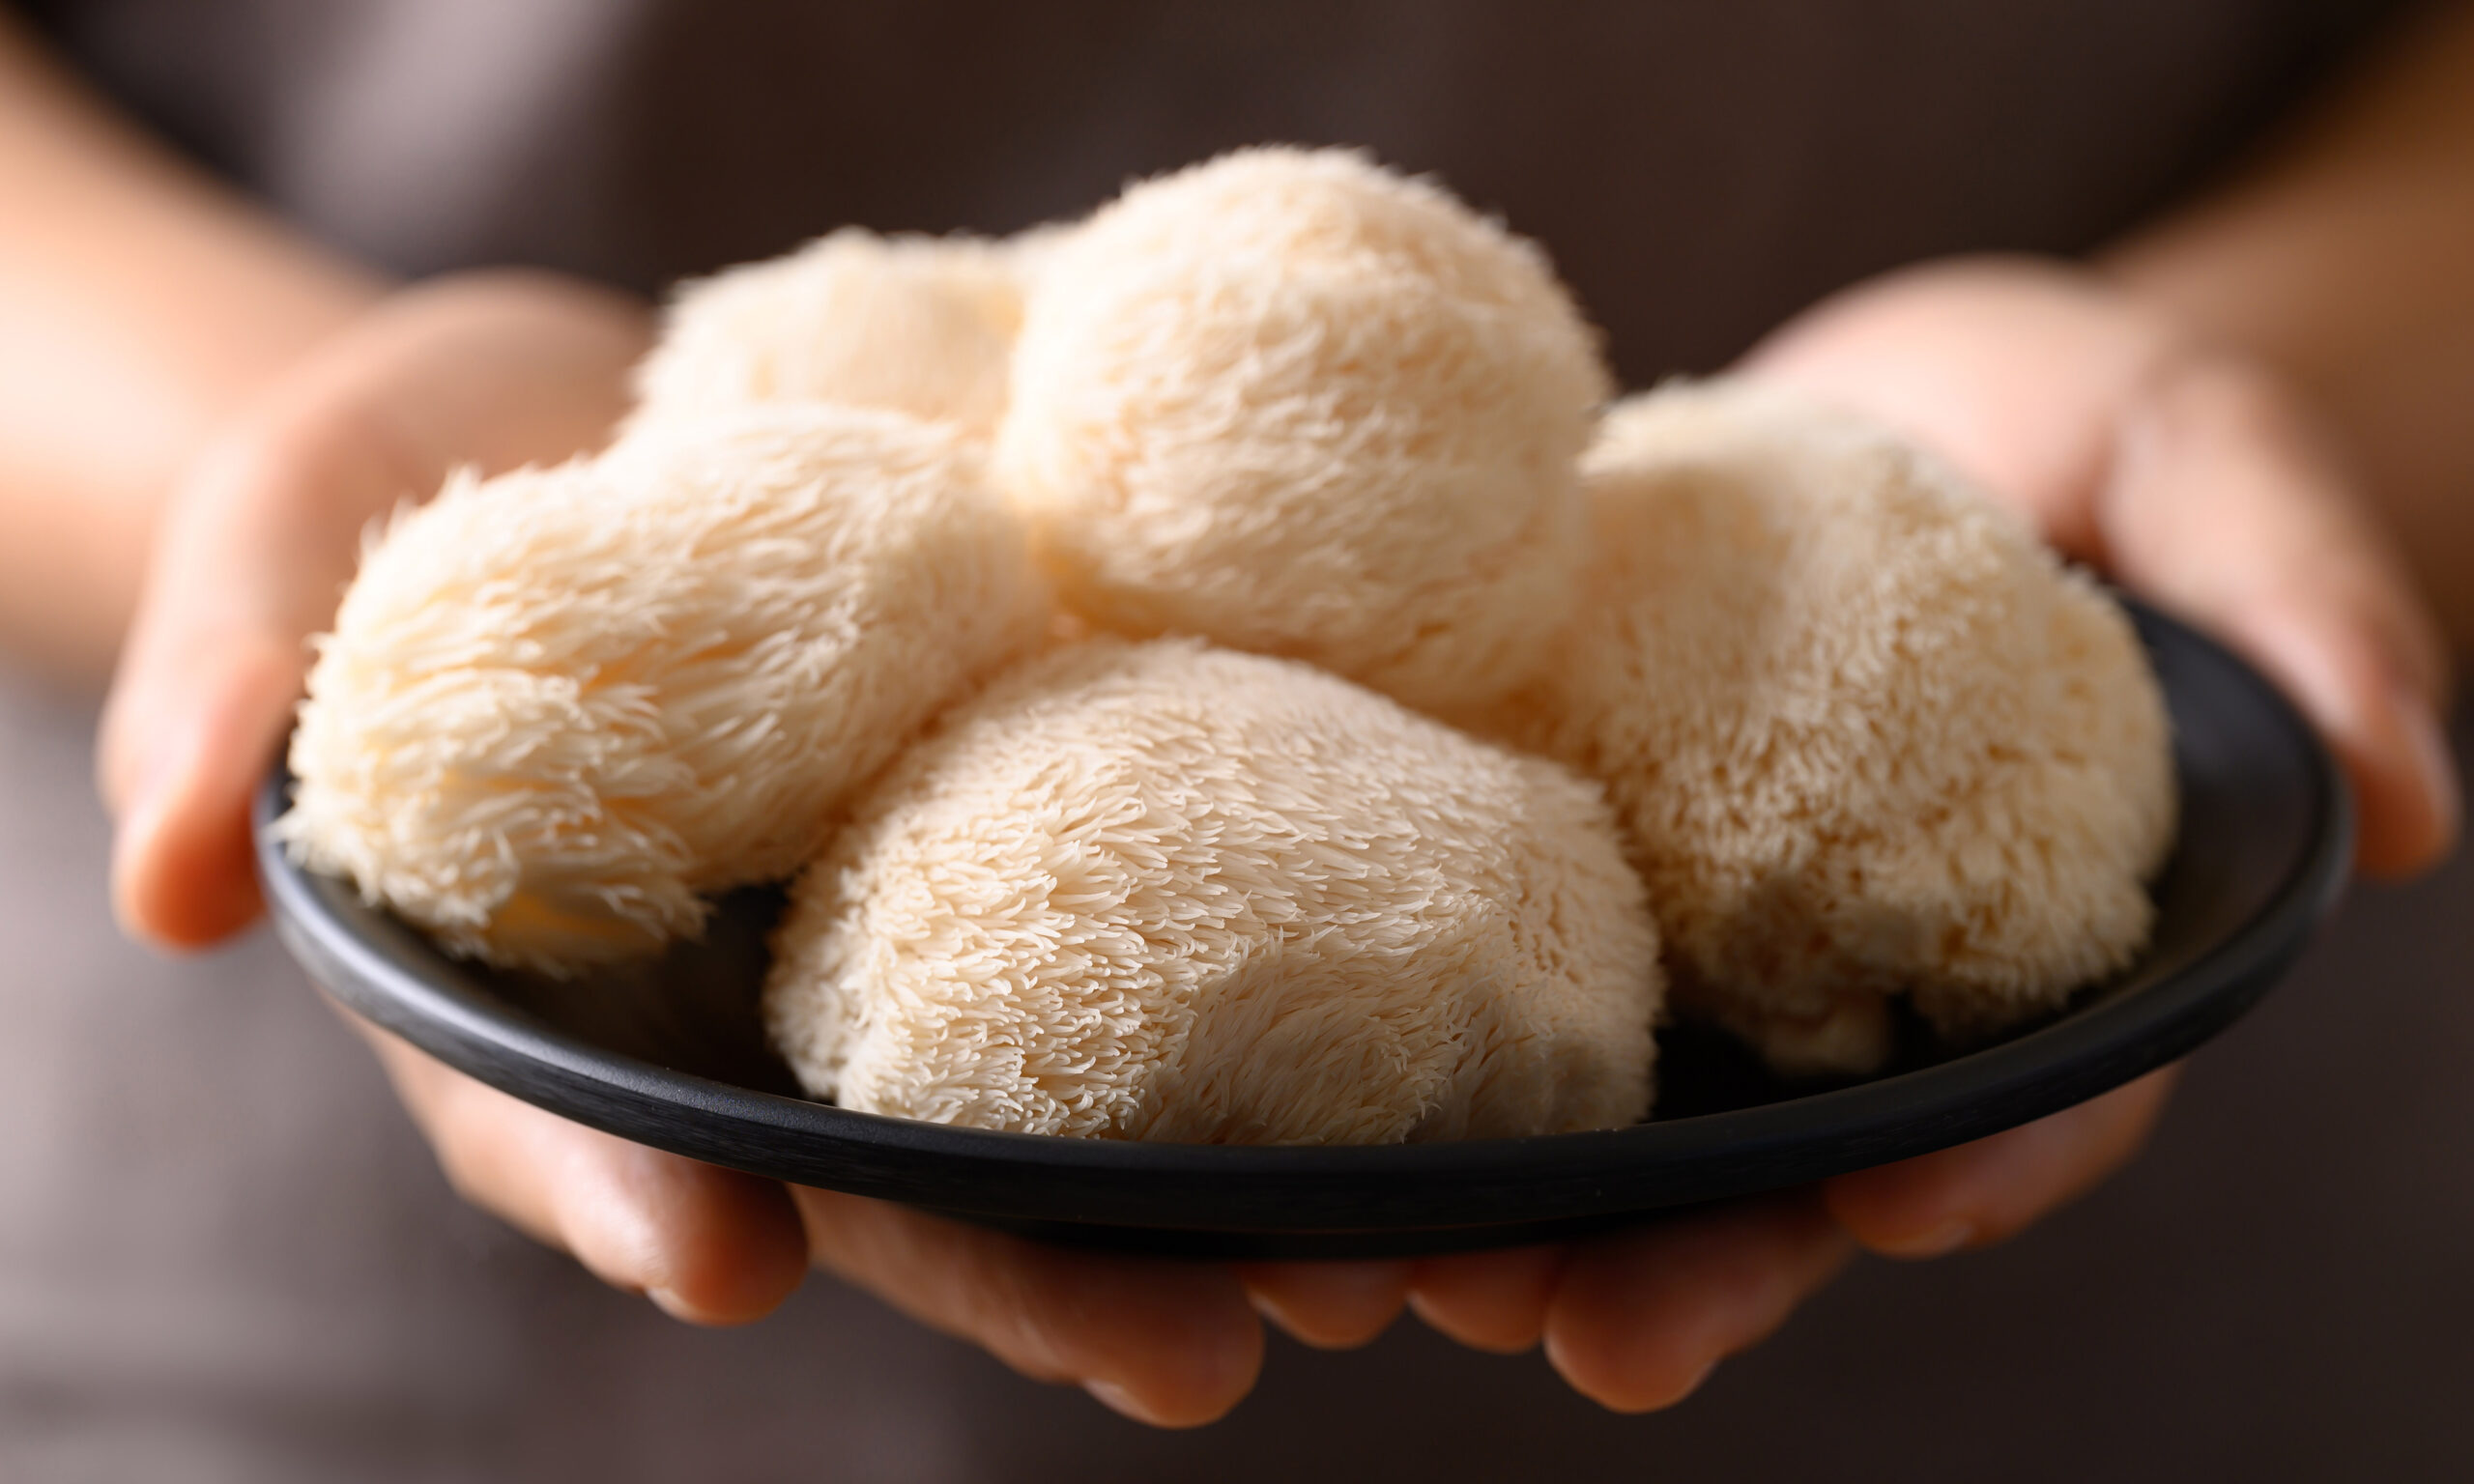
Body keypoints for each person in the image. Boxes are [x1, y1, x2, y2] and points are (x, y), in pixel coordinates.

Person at [1, 0, 2466, 1438]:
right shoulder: (867, 484)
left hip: (2112, 1389)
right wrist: (252, 430)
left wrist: (2272, 380)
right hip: (353, 1372)